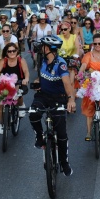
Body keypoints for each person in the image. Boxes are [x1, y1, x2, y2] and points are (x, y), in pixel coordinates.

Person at [29, 35, 76, 176]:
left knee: (61, 134)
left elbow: (67, 84)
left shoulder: (60, 63)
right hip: (43, 96)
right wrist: (38, 82)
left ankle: (64, 162)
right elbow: (42, 76)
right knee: (33, 113)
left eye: (43, 45)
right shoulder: (42, 60)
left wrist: (71, 100)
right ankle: (39, 136)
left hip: (58, 98)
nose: (40, 48)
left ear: (49, 48)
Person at [0, 42, 30, 134]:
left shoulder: (21, 60)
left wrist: (26, 79)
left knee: (17, 94)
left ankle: (21, 105)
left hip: (18, 82)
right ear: (6, 52)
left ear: (17, 51)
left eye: (14, 51)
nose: (12, 53)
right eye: (9, 51)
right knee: (0, 103)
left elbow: (26, 71)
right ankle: (1, 125)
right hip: (5, 82)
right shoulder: (4, 61)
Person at [58, 21, 82, 85]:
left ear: (69, 29)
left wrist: (76, 56)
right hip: (61, 59)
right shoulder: (58, 37)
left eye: (65, 29)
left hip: (72, 59)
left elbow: (77, 47)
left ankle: (71, 86)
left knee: (72, 68)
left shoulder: (74, 37)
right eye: (62, 29)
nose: (63, 31)